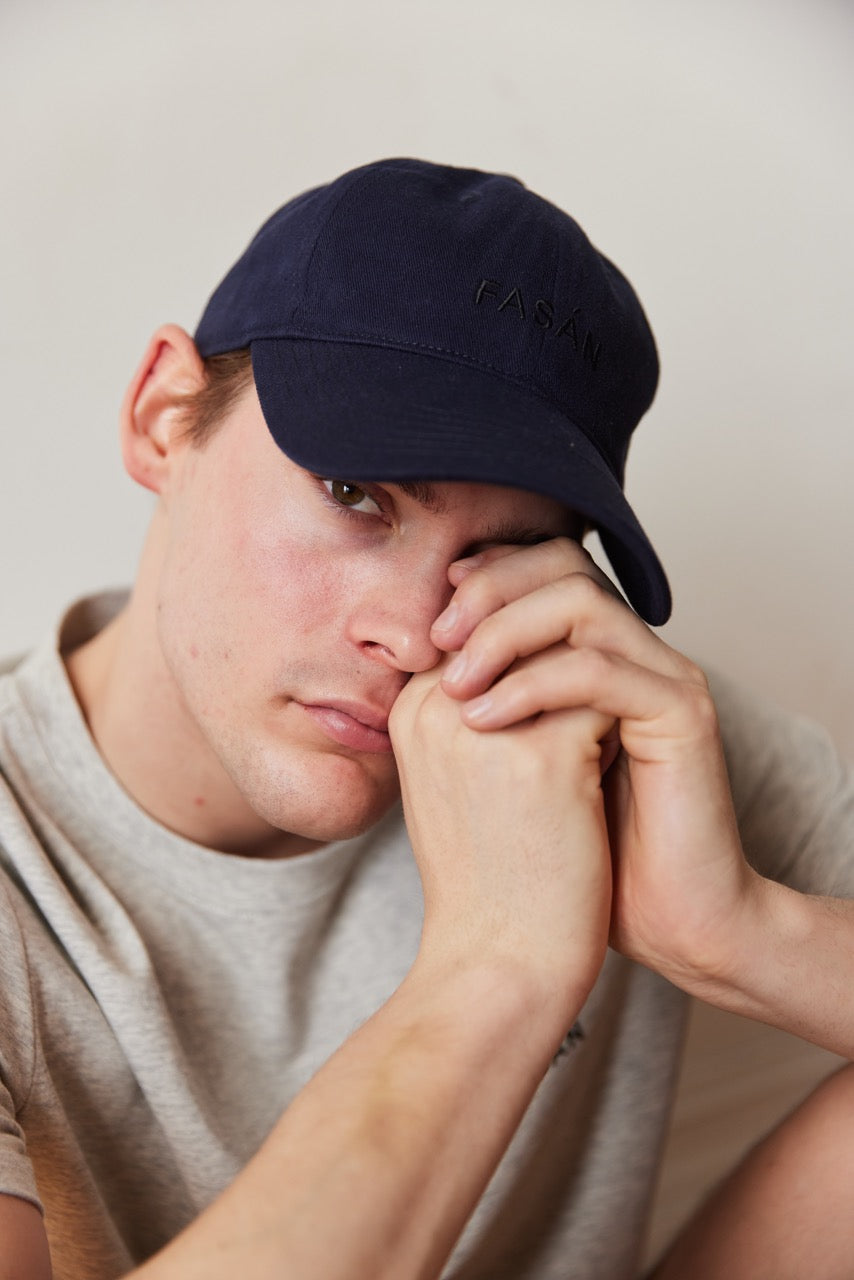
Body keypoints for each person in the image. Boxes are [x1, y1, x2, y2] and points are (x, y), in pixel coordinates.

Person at [0, 157, 852, 1280]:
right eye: (358, 494)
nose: (412, 635)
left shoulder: (603, 737)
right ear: (165, 415)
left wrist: (739, 933)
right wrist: (495, 967)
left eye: (499, 554)